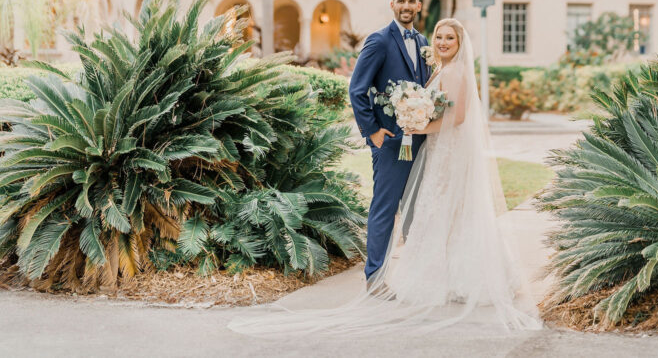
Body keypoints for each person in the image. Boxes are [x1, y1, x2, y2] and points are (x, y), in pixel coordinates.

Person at [227, 17, 541, 336]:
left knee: (450, 211)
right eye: (440, 36)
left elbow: (457, 117)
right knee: (441, 211)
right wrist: (405, 118)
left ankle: (468, 277)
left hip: (448, 151)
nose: (444, 42)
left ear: (460, 43)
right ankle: (439, 275)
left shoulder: (456, 71)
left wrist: (420, 125)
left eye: (450, 38)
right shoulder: (440, 69)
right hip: (434, 149)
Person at [348, 0, 430, 282]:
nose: (406, 6)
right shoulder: (379, 40)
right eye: (401, 1)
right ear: (392, 4)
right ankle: (375, 277)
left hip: (421, 142)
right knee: (384, 209)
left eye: (412, 1)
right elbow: (357, 89)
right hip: (391, 142)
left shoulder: (424, 44)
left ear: (419, 6)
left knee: (416, 210)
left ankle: (416, 277)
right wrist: (373, 132)